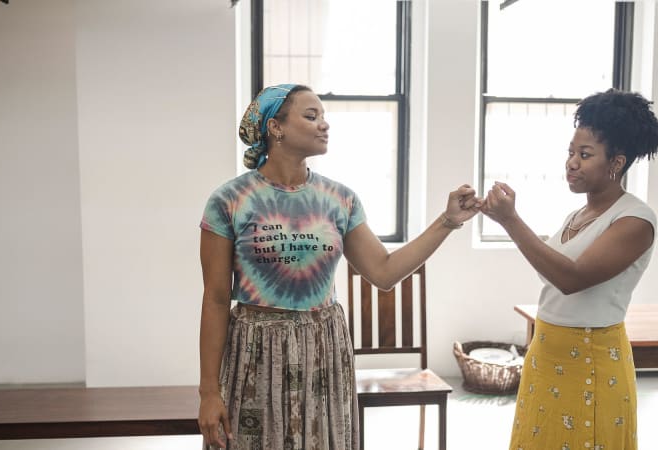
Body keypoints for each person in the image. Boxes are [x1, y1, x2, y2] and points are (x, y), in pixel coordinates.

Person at [197, 84, 481, 450]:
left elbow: (384, 271)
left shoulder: (339, 199)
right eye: (311, 116)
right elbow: (216, 300)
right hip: (256, 353)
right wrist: (208, 391)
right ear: (275, 127)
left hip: (323, 351)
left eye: (324, 117)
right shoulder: (230, 200)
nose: (324, 125)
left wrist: (448, 220)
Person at [481, 88, 658, 450]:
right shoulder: (576, 216)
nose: (571, 163)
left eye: (585, 154)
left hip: (591, 361)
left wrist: (511, 220)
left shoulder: (636, 219)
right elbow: (552, 270)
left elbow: (571, 279)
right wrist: (502, 218)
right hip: (547, 353)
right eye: (570, 152)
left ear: (616, 162)